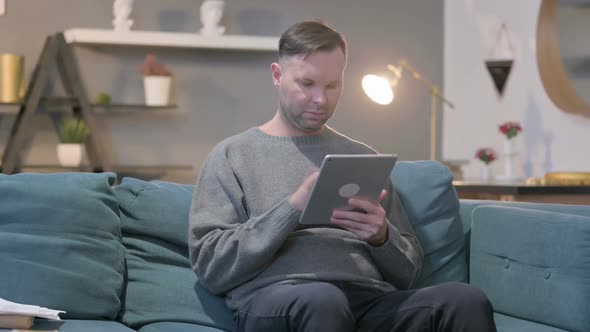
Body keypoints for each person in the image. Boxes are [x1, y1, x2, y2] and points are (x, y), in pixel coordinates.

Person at [189, 20, 497, 332]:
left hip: (368, 301)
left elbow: (408, 273)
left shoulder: (361, 157)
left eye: (332, 86)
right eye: (307, 84)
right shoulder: (232, 156)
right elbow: (211, 267)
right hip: (278, 299)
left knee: (465, 300)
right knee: (324, 301)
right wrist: (292, 207)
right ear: (278, 76)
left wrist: (382, 238)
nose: (321, 99)